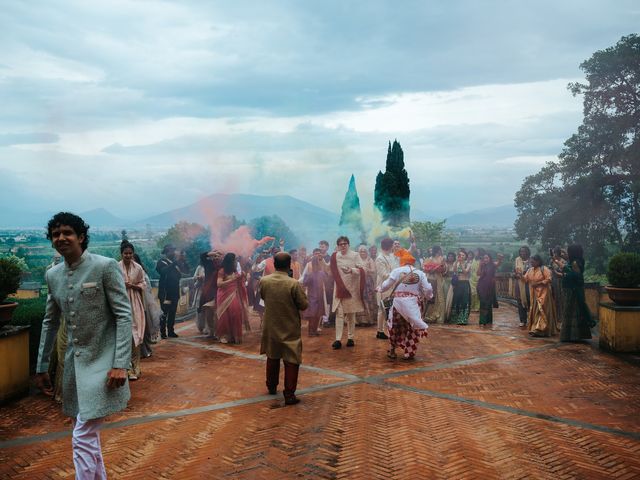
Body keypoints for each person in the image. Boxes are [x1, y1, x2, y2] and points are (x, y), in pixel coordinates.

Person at [35, 212, 132, 480]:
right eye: (56, 234)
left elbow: (124, 315)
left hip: (103, 364)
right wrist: (42, 366)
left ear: (81, 236)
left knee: (82, 433)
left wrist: (120, 364)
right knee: (85, 432)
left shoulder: (104, 266)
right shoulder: (53, 275)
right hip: (74, 369)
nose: (61, 238)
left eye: (67, 232)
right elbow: (49, 322)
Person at [260, 252, 309, 405]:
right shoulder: (293, 283)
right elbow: (303, 305)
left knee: (272, 356)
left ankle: (271, 386)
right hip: (289, 326)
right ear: (289, 265)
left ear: (274, 264)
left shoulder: (264, 280)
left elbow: (263, 297)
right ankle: (289, 394)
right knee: (292, 360)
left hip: (271, 325)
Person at [378, 249, 433, 360]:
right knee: (413, 328)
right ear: (412, 262)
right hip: (413, 305)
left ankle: (392, 350)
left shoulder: (397, 270)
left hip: (398, 305)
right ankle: (409, 352)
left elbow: (386, 285)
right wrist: (429, 296)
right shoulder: (420, 273)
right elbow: (428, 289)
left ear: (402, 261)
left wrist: (380, 288)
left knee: (395, 327)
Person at [330, 236, 365, 349]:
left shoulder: (355, 255)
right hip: (339, 289)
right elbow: (328, 268)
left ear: (348, 244)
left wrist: (351, 270)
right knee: (339, 314)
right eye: (341, 244)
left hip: (351, 289)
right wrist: (320, 261)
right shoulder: (335, 256)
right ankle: (338, 339)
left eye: (345, 243)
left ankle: (350, 338)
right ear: (338, 246)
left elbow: (362, 270)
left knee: (351, 314)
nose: (343, 245)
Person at [118, 241, 146, 380]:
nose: (128, 255)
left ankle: (137, 366)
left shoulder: (138, 268)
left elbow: (143, 283)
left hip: (135, 302)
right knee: (126, 335)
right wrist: (123, 286)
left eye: (130, 253)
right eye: (125, 253)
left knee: (137, 335)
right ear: (121, 254)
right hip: (122, 302)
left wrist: (133, 286)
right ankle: (127, 367)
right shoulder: (116, 267)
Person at [559, 244, 594, 342]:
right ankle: (576, 335)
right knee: (573, 311)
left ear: (572, 253)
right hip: (571, 289)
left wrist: (564, 268)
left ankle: (571, 335)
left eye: (568, 251)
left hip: (573, 291)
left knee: (571, 311)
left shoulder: (575, 263)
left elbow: (576, 276)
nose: (567, 253)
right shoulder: (576, 261)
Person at [216, 252, 248, 344]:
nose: (236, 261)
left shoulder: (234, 270)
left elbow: (240, 280)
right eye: (234, 260)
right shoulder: (222, 271)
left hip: (234, 294)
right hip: (223, 296)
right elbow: (219, 284)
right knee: (224, 317)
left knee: (236, 313)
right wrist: (232, 279)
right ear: (230, 261)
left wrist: (243, 276)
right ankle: (224, 335)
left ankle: (235, 335)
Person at [133, 253, 161, 358]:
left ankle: (144, 349)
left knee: (144, 328)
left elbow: (147, 288)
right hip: (132, 303)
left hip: (143, 303)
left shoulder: (141, 272)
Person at [524, 254, 558, 337]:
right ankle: (536, 328)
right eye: (531, 262)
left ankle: (540, 329)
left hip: (544, 293)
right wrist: (518, 275)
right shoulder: (530, 270)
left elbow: (549, 279)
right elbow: (525, 279)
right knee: (536, 311)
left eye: (533, 262)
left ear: (538, 261)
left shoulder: (544, 269)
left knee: (542, 310)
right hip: (534, 294)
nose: (531, 263)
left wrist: (538, 283)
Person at [156, 245, 183, 338]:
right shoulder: (161, 262)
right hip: (165, 292)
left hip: (174, 292)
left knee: (172, 313)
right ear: (166, 252)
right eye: (171, 251)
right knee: (164, 313)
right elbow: (163, 272)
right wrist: (174, 263)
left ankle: (171, 331)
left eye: (174, 251)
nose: (173, 253)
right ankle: (163, 332)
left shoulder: (175, 263)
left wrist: (181, 260)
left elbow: (183, 273)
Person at [300, 248, 328, 336]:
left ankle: (312, 331)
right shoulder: (321, 273)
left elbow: (304, 283)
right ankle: (313, 331)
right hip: (318, 296)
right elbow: (327, 281)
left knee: (314, 314)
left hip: (312, 296)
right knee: (316, 314)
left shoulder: (310, 274)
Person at [374, 237, 395, 339]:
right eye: (392, 246)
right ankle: (380, 331)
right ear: (389, 246)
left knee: (387, 309)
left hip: (390, 286)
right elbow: (383, 274)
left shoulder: (390, 256)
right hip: (383, 286)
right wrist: (396, 275)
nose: (393, 248)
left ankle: (383, 330)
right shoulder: (380, 258)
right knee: (382, 309)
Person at [423, 246, 447, 324]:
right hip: (431, 279)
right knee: (430, 297)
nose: (441, 251)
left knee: (439, 297)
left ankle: (439, 316)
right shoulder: (429, 259)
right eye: (440, 250)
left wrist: (441, 267)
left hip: (439, 280)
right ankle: (427, 315)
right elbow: (425, 269)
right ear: (437, 251)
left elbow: (444, 271)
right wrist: (433, 269)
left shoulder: (442, 259)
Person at [355, 244, 377, 326]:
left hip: (367, 282)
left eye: (364, 251)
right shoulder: (356, 260)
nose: (363, 253)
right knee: (360, 299)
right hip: (358, 282)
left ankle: (369, 319)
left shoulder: (369, 259)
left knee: (368, 299)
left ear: (367, 252)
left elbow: (374, 270)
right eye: (361, 251)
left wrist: (365, 269)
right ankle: (360, 320)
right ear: (358, 252)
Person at [450, 251, 472, 325]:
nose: (461, 256)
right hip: (458, 284)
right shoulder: (456, 263)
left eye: (463, 255)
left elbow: (465, 272)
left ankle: (463, 319)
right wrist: (456, 261)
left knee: (464, 301)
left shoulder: (468, 264)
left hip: (465, 284)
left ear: (465, 256)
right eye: (460, 255)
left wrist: (462, 263)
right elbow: (454, 271)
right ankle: (455, 318)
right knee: (456, 300)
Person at [477, 253, 497, 326]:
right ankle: (482, 321)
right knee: (483, 303)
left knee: (488, 304)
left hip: (490, 287)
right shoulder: (482, 266)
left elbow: (498, 263)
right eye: (484, 258)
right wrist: (479, 265)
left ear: (490, 258)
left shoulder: (492, 265)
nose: (485, 259)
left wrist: (500, 259)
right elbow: (478, 274)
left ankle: (488, 321)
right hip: (481, 287)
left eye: (487, 258)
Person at [514, 246, 532, 327]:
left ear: (527, 252)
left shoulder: (531, 260)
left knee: (530, 300)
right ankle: (523, 320)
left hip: (529, 283)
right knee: (520, 301)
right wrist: (516, 275)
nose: (522, 253)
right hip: (519, 283)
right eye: (521, 251)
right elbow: (516, 270)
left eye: (524, 251)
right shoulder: (517, 259)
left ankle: (532, 319)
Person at [442, 251, 456, 322]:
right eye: (449, 256)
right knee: (445, 297)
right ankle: (444, 315)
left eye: (452, 256)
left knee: (452, 298)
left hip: (453, 283)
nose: (450, 257)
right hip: (445, 282)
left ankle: (450, 315)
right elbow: (442, 274)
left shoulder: (455, 264)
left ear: (454, 258)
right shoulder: (445, 264)